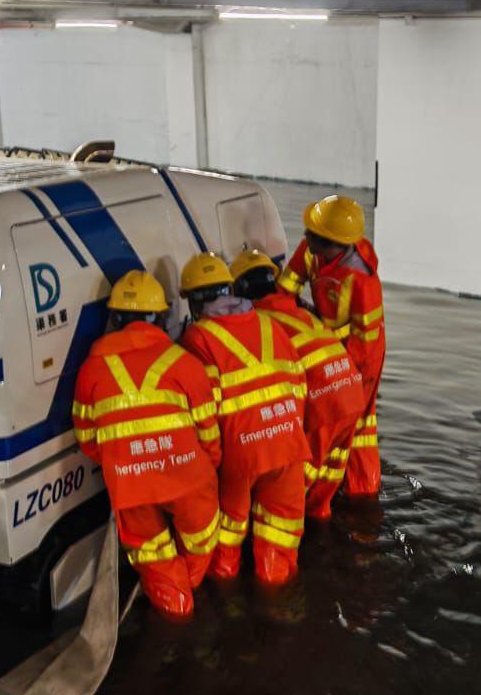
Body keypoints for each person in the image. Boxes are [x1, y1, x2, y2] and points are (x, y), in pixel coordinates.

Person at [71, 270, 220, 619]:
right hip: (189, 479)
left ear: (115, 317)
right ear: (160, 315)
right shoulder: (185, 363)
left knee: (155, 561)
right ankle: (196, 597)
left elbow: (88, 442)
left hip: (130, 485)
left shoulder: (90, 370)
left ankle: (178, 613)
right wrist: (207, 466)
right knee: (200, 543)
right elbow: (209, 433)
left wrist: (125, 463)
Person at [177, 251, 308, 585]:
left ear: (194, 301)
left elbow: (207, 410)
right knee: (280, 537)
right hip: (289, 443)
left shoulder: (199, 337)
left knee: (228, 543)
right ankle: (280, 607)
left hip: (241, 453)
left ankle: (229, 609)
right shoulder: (268, 323)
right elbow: (298, 383)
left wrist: (214, 465)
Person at [232, 249, 364, 520]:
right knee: (329, 473)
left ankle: (298, 535)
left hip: (324, 404)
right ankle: (322, 520)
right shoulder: (297, 311)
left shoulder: (260, 325)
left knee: (292, 490)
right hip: (351, 392)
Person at [278, 195, 385, 499]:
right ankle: (340, 485)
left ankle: (360, 490)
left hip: (361, 356)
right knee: (340, 422)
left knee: (354, 422)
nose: (304, 236)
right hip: (327, 346)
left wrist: (345, 379)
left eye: (311, 234)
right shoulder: (312, 251)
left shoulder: (362, 282)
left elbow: (366, 344)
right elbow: (285, 291)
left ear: (332, 243)